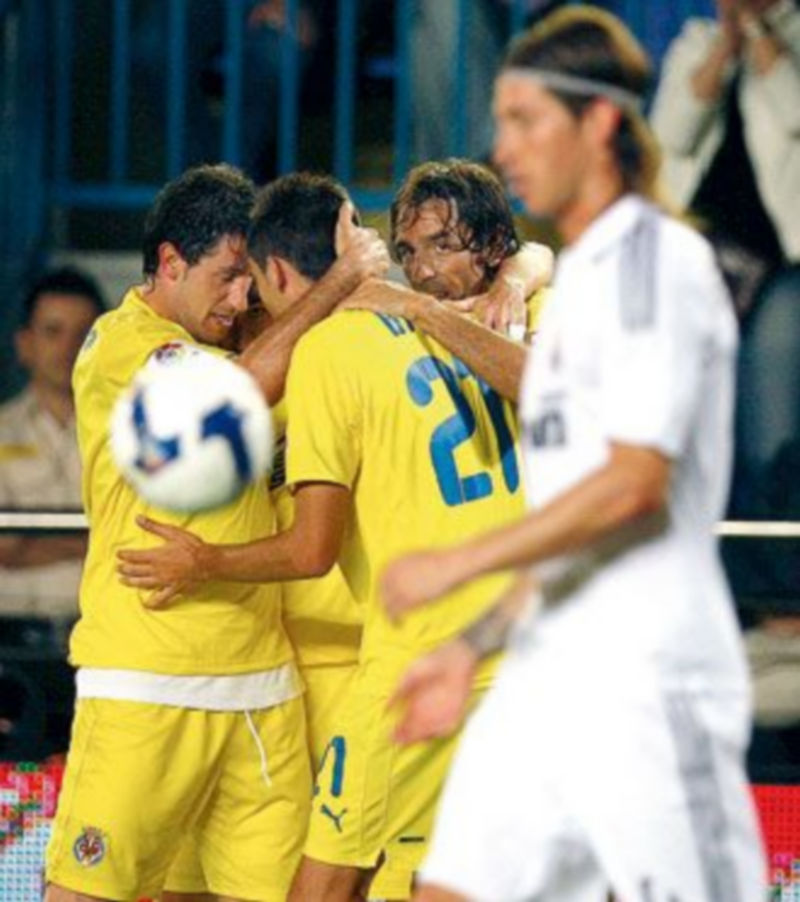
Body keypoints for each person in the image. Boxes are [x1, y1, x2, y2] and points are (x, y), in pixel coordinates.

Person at [379, 8, 768, 901]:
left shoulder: (655, 266)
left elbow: (632, 488)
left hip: (650, 687)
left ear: (597, 124)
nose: (503, 147)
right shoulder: (583, 276)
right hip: (546, 676)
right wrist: (472, 645)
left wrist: (457, 566)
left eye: (525, 121)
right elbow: (572, 537)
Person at [115, 169, 533, 901]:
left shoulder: (333, 351)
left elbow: (312, 549)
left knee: (323, 885)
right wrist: (521, 276)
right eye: (410, 251)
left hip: (410, 662)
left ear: (274, 270)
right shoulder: (504, 315)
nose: (426, 266)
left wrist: (205, 562)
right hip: (523, 652)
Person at [45, 163, 388, 902]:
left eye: (250, 279)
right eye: (226, 277)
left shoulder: (261, 349)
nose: (240, 300)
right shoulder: (118, 347)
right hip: (146, 680)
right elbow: (220, 402)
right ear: (170, 263)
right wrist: (338, 284)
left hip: (263, 693)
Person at [650, 0, 800, 314]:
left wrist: (756, 29)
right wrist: (724, 49)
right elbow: (672, 135)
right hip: (699, 243)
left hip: (781, 257)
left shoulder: (793, 37)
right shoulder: (698, 40)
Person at [0, 266, 105, 621]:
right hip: (12, 638)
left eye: (83, 335)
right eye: (53, 332)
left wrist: (27, 546)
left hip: (110, 637)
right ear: (24, 344)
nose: (68, 348)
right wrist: (100, 542)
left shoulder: (132, 432)